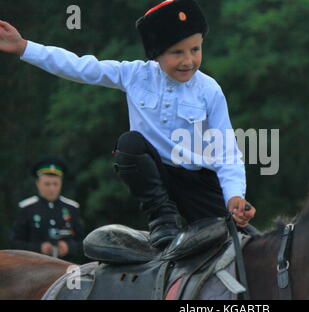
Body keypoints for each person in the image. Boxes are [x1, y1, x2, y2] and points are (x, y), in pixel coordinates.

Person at [0, 0, 256, 250]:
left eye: (196, 49)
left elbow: (227, 152)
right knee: (129, 144)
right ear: (156, 54)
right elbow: (79, 67)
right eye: (177, 52)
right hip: (155, 179)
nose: (188, 60)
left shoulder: (209, 90)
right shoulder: (134, 75)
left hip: (197, 183)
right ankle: (163, 221)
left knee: (247, 245)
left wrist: (235, 197)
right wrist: (24, 47)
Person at [10, 156, 85, 263]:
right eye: (47, 184)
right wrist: (39, 248)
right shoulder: (27, 208)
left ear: (61, 183)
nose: (52, 188)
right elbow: (14, 244)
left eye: (55, 184)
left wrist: (69, 247)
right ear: (38, 183)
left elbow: (83, 244)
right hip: (34, 269)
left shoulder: (72, 208)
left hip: (66, 270)